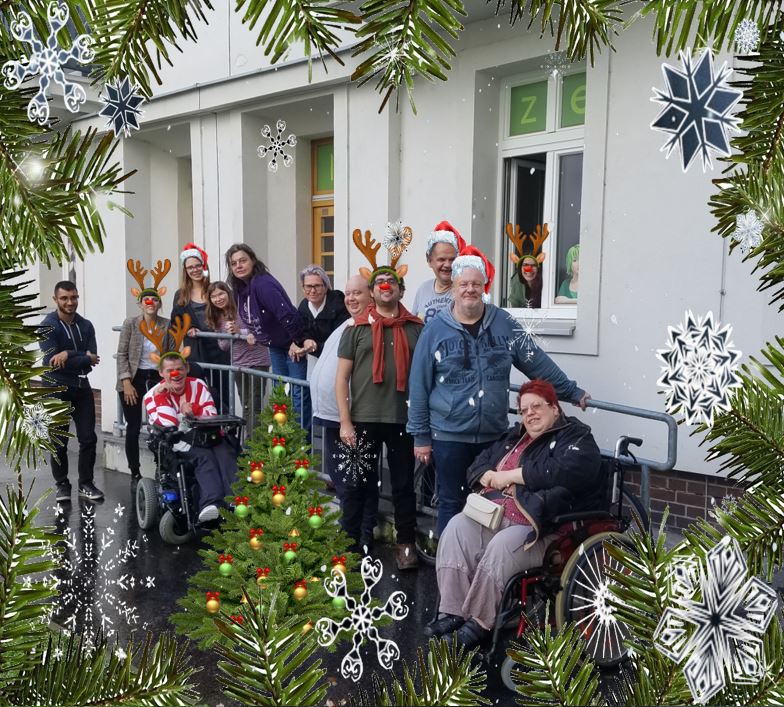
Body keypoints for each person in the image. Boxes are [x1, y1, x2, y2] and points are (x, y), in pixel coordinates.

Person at [407, 247, 590, 536]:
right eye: (463, 284)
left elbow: (536, 362)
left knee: (493, 503)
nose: (470, 290)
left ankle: (483, 569)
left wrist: (570, 391)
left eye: (476, 284)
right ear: (453, 288)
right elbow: (418, 386)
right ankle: (449, 570)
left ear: (484, 287)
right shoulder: (435, 331)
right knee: (451, 503)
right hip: (448, 437)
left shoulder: (504, 324)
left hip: (493, 436)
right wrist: (421, 437)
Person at [427, 379, 604, 649]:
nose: (530, 413)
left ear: (555, 408)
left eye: (537, 406)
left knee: (501, 546)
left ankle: (479, 622)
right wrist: (486, 475)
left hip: (541, 527)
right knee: (456, 527)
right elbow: (478, 464)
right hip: (495, 516)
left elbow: (565, 471)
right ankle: (452, 612)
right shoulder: (514, 437)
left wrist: (513, 476)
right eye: (524, 410)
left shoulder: (577, 438)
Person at [336, 231, 423, 569]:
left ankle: (405, 545)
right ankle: (349, 544)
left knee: (403, 487)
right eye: (379, 282)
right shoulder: (355, 329)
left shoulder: (417, 328)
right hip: (363, 419)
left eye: (392, 281)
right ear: (372, 292)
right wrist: (345, 421)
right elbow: (341, 378)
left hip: (404, 419)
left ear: (400, 290)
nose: (386, 285)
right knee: (356, 483)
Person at [142, 321, 237, 523]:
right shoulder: (153, 395)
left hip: (205, 435)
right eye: (170, 371)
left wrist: (191, 410)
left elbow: (210, 414)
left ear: (186, 369)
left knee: (226, 451)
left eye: (179, 369)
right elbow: (168, 424)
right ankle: (211, 505)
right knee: (204, 457)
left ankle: (236, 501)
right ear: (162, 373)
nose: (175, 374)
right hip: (176, 441)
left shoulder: (199, 385)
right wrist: (186, 415)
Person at [310, 274, 378, 549]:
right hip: (331, 414)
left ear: (371, 295)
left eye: (357, 293)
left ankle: (357, 537)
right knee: (344, 478)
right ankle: (354, 532)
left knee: (354, 480)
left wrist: (347, 417)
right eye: (347, 293)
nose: (350, 298)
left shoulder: (372, 325)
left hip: (350, 415)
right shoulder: (350, 322)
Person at [225, 244, 310, 432]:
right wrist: (254, 334)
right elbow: (254, 317)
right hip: (275, 346)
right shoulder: (240, 288)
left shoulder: (263, 283)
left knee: (297, 393)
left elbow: (285, 313)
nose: (238, 266)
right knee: (281, 394)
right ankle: (283, 439)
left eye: (243, 260)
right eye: (234, 263)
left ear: (253, 260)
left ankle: (301, 443)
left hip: (290, 345)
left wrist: (296, 341)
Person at [39, 281, 104, 502]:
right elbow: (51, 361)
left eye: (74, 297)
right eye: (65, 298)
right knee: (58, 441)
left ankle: (86, 483)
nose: (70, 302)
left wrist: (67, 354)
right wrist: (76, 355)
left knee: (88, 438)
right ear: (55, 299)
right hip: (55, 387)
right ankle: (62, 485)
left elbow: (92, 359)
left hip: (82, 387)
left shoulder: (86, 325)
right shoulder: (48, 325)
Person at [117, 259, 173, 480]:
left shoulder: (166, 325)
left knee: (161, 423)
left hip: (157, 379)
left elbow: (170, 354)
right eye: (146, 300)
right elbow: (121, 354)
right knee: (132, 425)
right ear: (140, 303)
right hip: (134, 378)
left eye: (155, 299)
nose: (150, 302)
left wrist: (168, 381)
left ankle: (162, 467)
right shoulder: (130, 324)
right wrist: (126, 381)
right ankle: (135, 471)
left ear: (159, 303)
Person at [171, 243, 231, 412]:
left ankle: (225, 432)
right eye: (190, 267)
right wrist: (188, 328)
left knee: (222, 393)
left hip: (220, 350)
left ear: (204, 266)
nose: (195, 270)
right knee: (200, 392)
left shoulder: (214, 290)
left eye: (198, 265)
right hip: (196, 351)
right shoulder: (180, 295)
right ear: (185, 270)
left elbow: (229, 310)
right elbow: (175, 323)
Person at [206, 281, 271, 427]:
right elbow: (223, 345)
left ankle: (251, 445)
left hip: (257, 362)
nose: (218, 298)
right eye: (214, 296)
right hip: (238, 364)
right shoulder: (217, 317)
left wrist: (239, 331)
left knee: (255, 405)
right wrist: (230, 335)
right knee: (246, 405)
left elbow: (260, 330)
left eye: (221, 294)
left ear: (228, 293)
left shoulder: (242, 308)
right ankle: (249, 442)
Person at [411, 221, 466, 324]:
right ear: (429, 260)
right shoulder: (423, 289)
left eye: (452, 259)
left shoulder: (466, 290)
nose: (447, 265)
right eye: (441, 259)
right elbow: (413, 328)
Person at [296, 265, 350, 358]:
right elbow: (302, 332)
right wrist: (306, 340)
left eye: (317, 286)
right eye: (308, 286)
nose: (313, 291)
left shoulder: (338, 303)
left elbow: (341, 338)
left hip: (338, 357)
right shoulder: (303, 306)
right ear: (303, 288)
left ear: (326, 287)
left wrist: (316, 347)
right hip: (313, 357)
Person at [506, 223, 549, 309]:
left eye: (533, 265)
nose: (528, 269)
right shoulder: (517, 281)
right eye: (525, 265)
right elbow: (515, 308)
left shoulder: (546, 281)